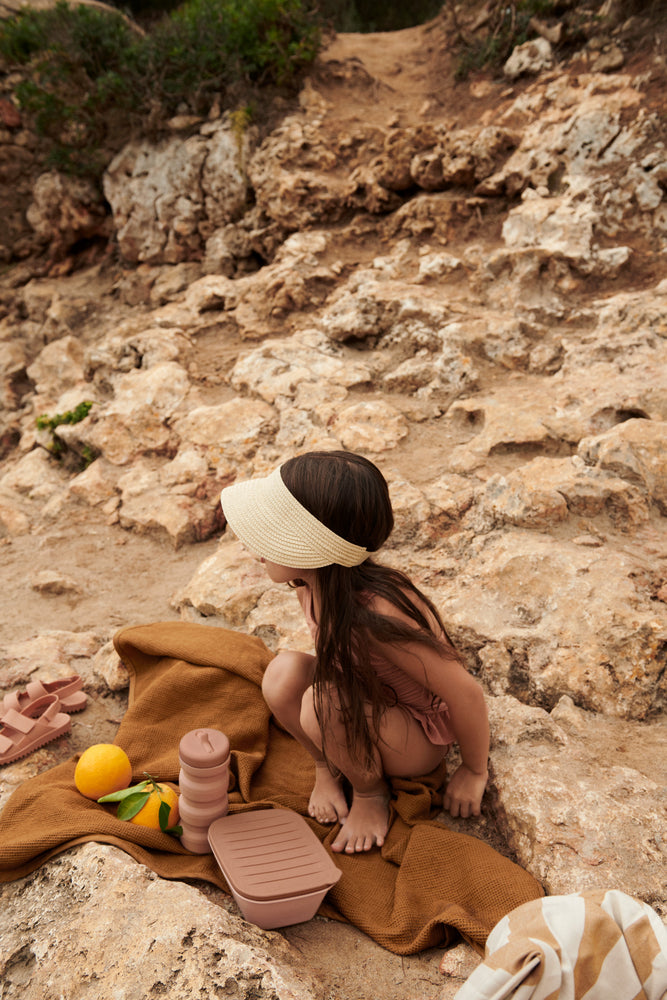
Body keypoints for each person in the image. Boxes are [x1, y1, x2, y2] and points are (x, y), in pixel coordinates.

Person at [220, 450, 489, 855]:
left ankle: (369, 793)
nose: (255, 546)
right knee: (282, 673)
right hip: (363, 698)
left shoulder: (374, 616)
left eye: (274, 534)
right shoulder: (311, 584)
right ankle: (327, 766)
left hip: (413, 731)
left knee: (322, 702)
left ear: (311, 547)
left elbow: (463, 692)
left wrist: (473, 769)